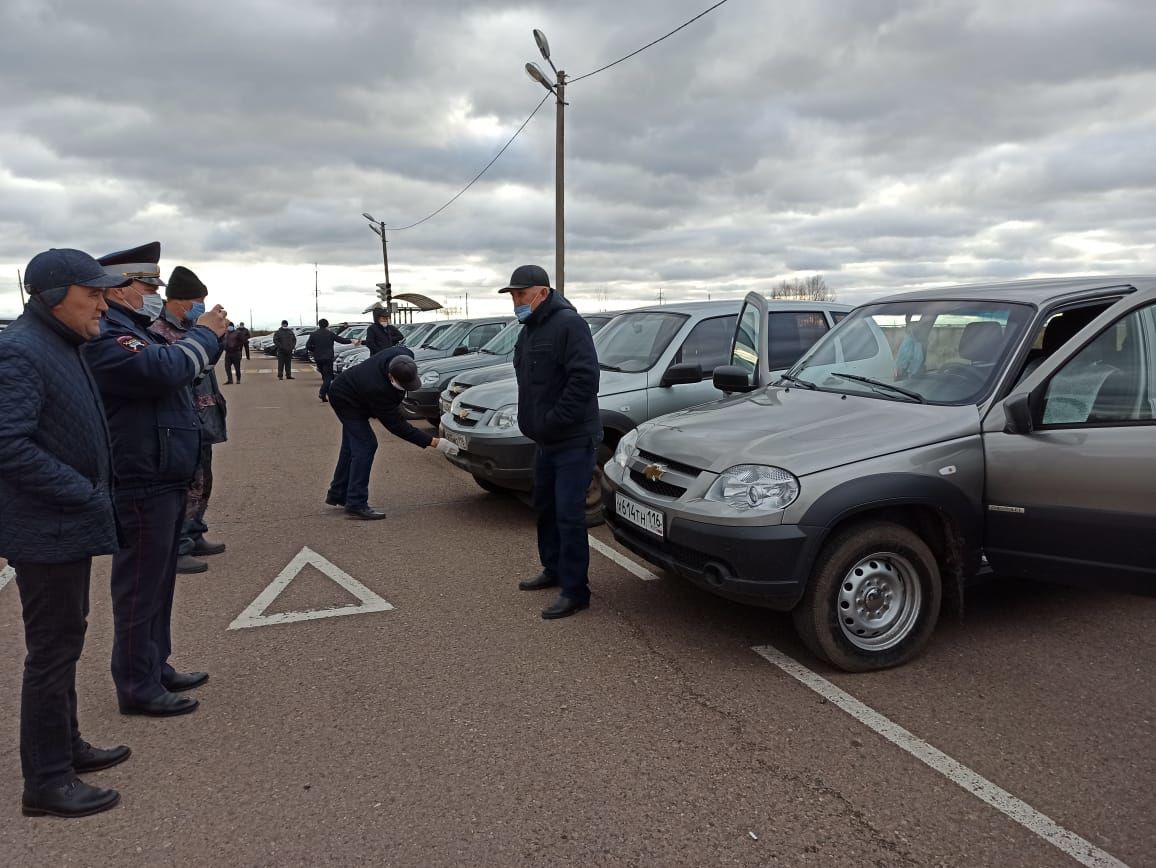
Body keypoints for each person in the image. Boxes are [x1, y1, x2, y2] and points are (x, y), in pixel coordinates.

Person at [0, 249, 130, 818]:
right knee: (51, 650)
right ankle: (47, 780)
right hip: (45, 526)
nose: (103, 302)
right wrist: (85, 491)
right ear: (54, 297)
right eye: (93, 292)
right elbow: (7, 445)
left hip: (62, 523)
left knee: (67, 639)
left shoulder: (60, 343)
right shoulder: (20, 353)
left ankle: (66, 744)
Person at [87, 242, 228, 717]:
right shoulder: (109, 332)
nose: (152, 293)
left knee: (159, 582)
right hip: (140, 476)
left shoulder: (134, 328)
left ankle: (155, 665)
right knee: (139, 588)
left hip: (162, 472)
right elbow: (161, 371)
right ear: (118, 288)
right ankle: (136, 684)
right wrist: (206, 336)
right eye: (147, 285)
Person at [503, 265, 600, 619]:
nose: (516, 301)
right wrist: (533, 421)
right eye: (513, 295)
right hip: (544, 439)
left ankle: (576, 591)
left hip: (572, 438)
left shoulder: (570, 325)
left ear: (542, 293)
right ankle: (553, 569)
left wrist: (554, 420)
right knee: (544, 505)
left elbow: (585, 380)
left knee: (569, 513)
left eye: (521, 294)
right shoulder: (528, 329)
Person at [148, 266, 228, 574]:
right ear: (180, 302)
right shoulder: (158, 330)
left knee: (203, 481)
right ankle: (177, 546)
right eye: (198, 302)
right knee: (184, 483)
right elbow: (177, 372)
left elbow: (207, 364)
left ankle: (194, 533)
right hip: (181, 418)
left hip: (203, 416)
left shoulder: (191, 327)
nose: (201, 308)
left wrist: (217, 337)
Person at [325, 345, 458, 519]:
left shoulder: (404, 355)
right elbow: (397, 425)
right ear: (390, 376)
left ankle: (338, 492)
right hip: (345, 399)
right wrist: (434, 442)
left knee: (352, 446)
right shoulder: (377, 388)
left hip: (354, 390)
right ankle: (356, 503)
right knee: (366, 445)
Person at [306, 318, 352, 402]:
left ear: (319, 325)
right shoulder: (330, 334)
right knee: (328, 376)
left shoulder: (313, 334)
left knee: (324, 375)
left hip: (318, 357)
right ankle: (322, 392)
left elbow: (308, 345)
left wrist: (315, 350)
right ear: (327, 325)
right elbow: (341, 340)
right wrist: (351, 340)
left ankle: (325, 395)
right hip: (328, 357)